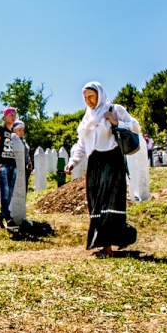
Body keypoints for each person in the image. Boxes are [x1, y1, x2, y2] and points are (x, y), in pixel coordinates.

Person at [65, 81, 139, 257]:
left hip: (112, 159)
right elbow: (83, 145)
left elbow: (135, 126)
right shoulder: (87, 118)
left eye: (91, 96)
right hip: (95, 162)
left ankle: (107, 246)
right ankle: (115, 238)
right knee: (96, 202)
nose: (88, 100)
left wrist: (116, 122)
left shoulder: (114, 110)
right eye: (85, 98)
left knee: (111, 200)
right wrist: (73, 162)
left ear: (99, 95)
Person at [0, 107, 18, 229]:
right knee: (5, 191)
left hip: (13, 164)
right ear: (5, 116)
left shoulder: (14, 132)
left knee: (10, 193)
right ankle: (8, 218)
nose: (13, 116)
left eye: (15, 114)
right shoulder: (0, 129)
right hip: (2, 164)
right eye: (11, 114)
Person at [12, 121, 33, 189]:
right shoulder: (11, 141)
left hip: (25, 168)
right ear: (14, 130)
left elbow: (27, 153)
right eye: (19, 130)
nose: (21, 132)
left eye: (23, 130)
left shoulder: (23, 141)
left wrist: (29, 161)